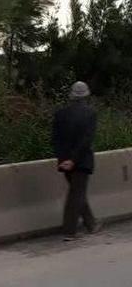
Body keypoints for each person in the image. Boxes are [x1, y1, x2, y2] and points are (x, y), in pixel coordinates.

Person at [52, 81, 101, 241]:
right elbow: (86, 140)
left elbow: (55, 139)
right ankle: (69, 230)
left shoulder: (60, 114)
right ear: (86, 95)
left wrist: (63, 159)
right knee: (76, 194)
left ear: (71, 95)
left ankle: (91, 224)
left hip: (64, 160)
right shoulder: (90, 114)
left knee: (77, 192)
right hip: (81, 160)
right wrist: (73, 160)